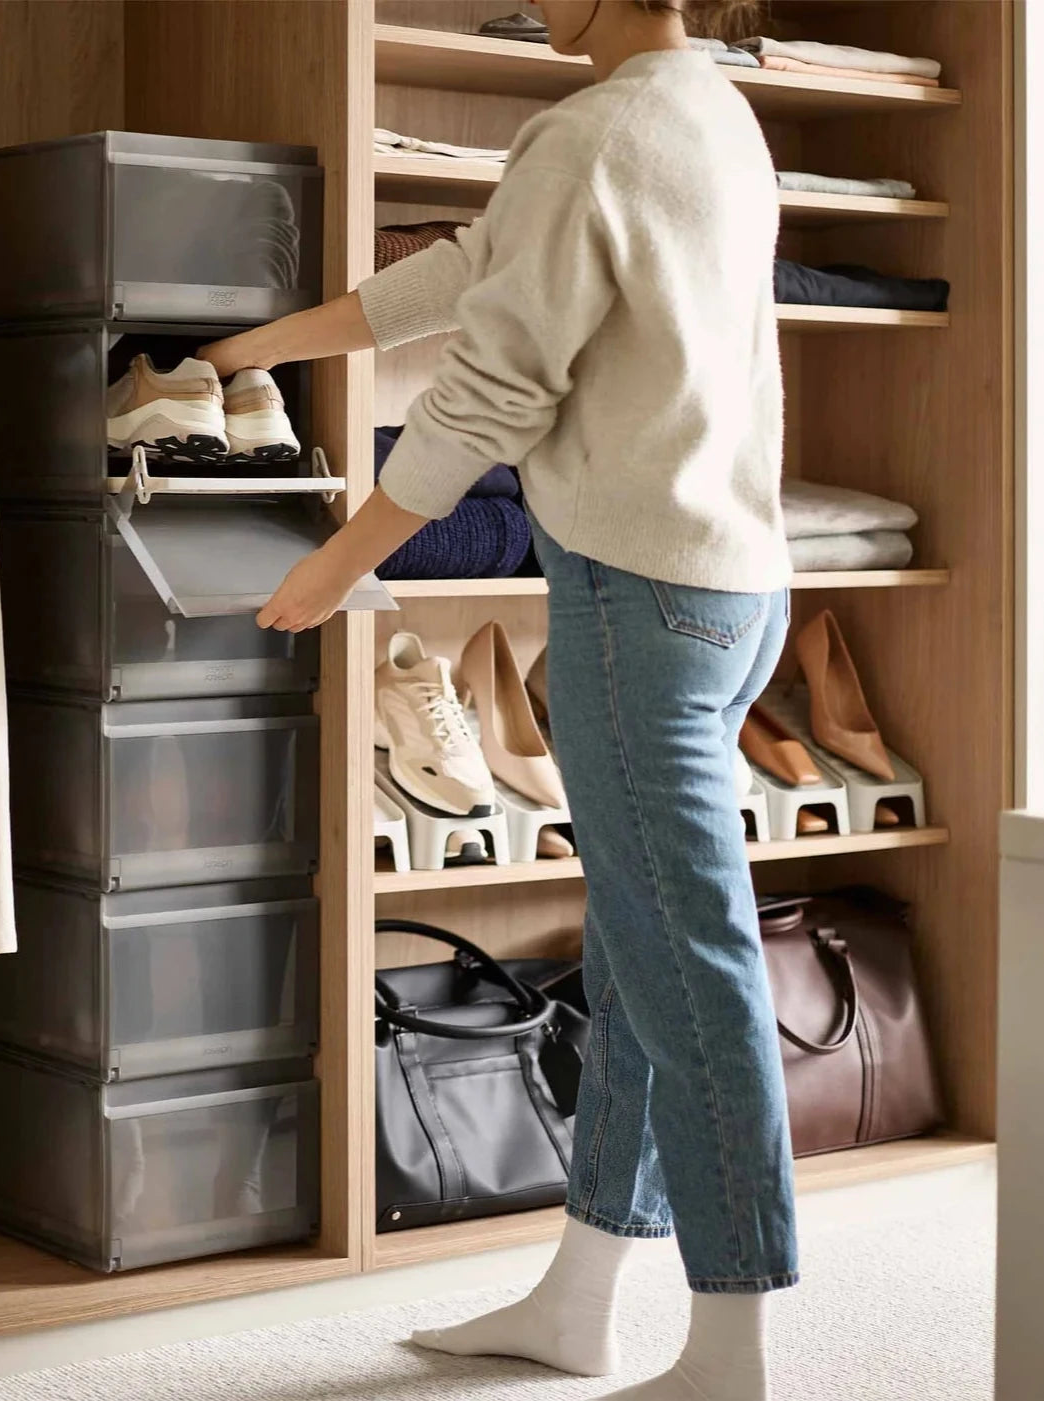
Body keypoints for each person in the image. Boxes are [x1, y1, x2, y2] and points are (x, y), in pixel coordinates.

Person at [201, 0, 793, 1396]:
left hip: (633, 608)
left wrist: (331, 564)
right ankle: (580, 1300)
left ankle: (732, 1353)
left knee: (692, 977)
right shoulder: (711, 110)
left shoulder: (588, 132)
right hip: (731, 595)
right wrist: (255, 351)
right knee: (648, 962)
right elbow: (474, 271)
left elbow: (485, 397)